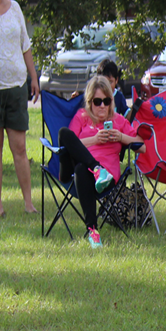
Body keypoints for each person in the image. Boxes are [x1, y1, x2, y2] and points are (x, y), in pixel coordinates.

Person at [58, 75, 140, 248]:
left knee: (81, 169)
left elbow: (142, 146)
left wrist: (121, 136)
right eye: (97, 101)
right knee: (64, 133)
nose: (102, 106)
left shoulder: (119, 120)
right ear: (89, 101)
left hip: (106, 176)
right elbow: (69, 141)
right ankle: (96, 168)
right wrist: (95, 140)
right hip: (70, 169)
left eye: (106, 101)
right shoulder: (82, 116)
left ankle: (93, 232)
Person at [0, 0, 39, 218]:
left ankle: (28, 203)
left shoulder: (15, 8)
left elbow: (25, 45)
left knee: (19, 147)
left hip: (16, 87)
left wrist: (33, 78)